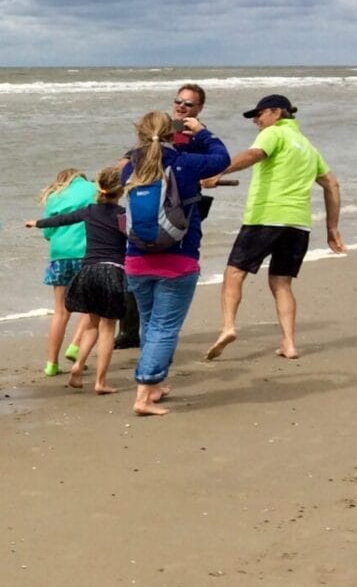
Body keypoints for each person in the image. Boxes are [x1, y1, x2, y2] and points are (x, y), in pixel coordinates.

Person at [204, 94, 344, 361]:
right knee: (282, 283)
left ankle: (229, 326)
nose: (256, 120)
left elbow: (254, 155)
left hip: (266, 217)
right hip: (299, 224)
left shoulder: (274, 134)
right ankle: (289, 344)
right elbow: (332, 184)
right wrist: (332, 228)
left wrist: (220, 172)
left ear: (276, 113)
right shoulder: (307, 145)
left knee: (234, 272)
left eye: (260, 114)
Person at [120, 112, 228, 415]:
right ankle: (143, 391)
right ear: (172, 134)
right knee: (164, 327)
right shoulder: (184, 164)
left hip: (137, 260)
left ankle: (154, 386)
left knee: (150, 323)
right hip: (178, 259)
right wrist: (203, 132)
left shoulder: (130, 166)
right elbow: (221, 158)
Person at [25, 165, 127, 394]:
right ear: (120, 192)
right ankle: (100, 382)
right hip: (110, 271)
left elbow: (62, 220)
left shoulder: (88, 211)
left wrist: (37, 223)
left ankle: (74, 366)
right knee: (107, 327)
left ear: (99, 188)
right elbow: (132, 237)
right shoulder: (122, 215)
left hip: (86, 270)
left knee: (86, 320)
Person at [35, 168, 98, 376]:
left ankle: (51, 364)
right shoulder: (93, 189)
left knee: (61, 312)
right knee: (92, 306)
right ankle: (76, 345)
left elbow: (47, 232)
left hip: (60, 255)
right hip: (88, 254)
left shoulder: (55, 196)